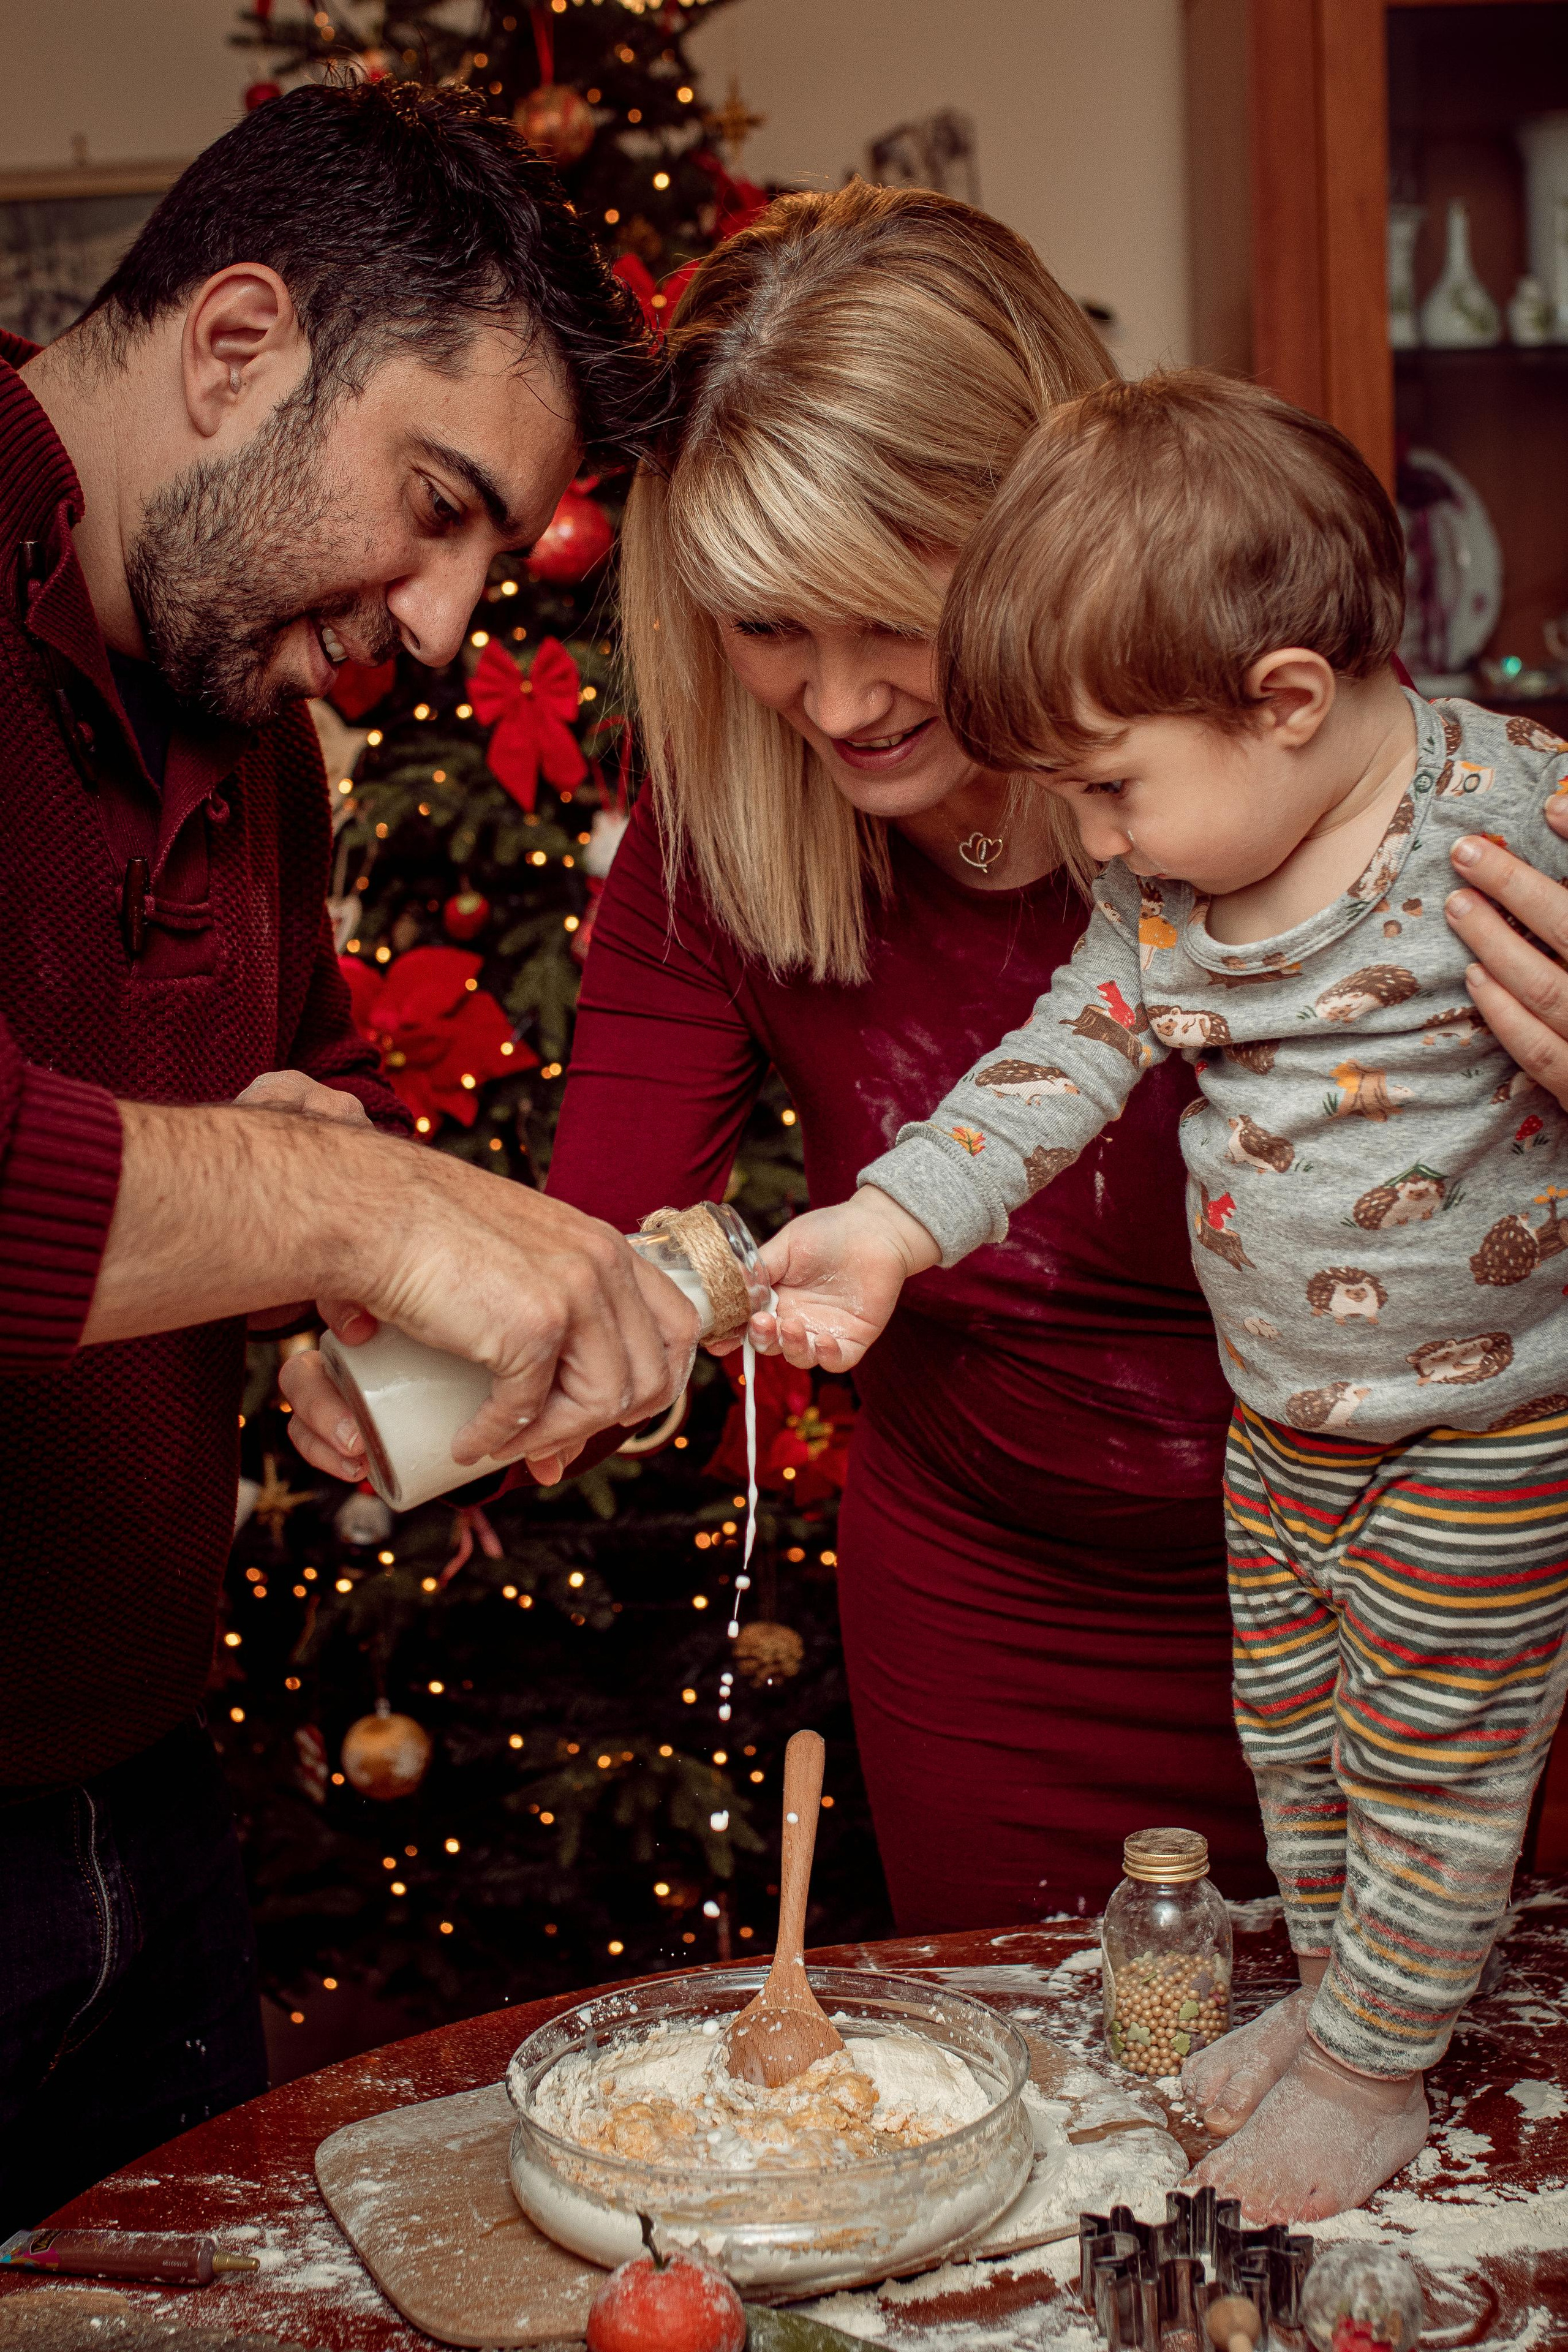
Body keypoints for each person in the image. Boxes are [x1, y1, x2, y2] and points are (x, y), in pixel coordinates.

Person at [0, 80, 698, 2231]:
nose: (450, 625)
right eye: (436, 504)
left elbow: (283, 1107)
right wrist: (363, 1207)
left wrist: (336, 1295)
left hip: (149, 1800)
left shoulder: (250, 720)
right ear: (237, 344)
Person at [763, 369, 1568, 2222]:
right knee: (1295, 1747)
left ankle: (1372, 2072)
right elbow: (1057, 1064)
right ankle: (1336, 2010)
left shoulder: (1514, 814)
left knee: (1433, 1769)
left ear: (1285, 701)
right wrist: (887, 1225)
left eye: (1114, 788)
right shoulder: (1166, 903)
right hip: (1280, 1431)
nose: (1103, 841)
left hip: (1485, 1434)